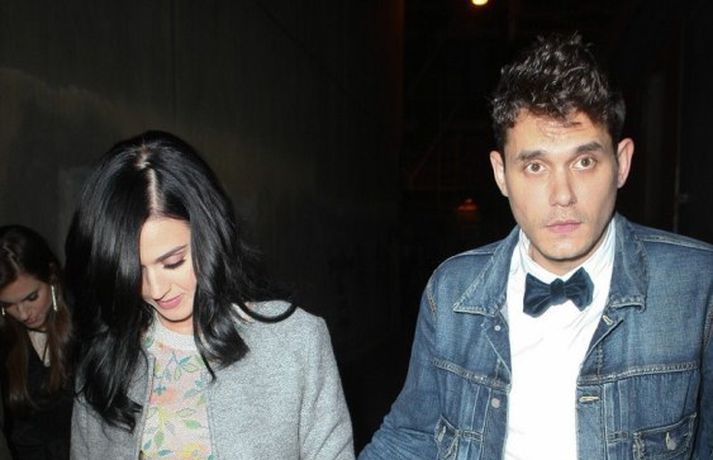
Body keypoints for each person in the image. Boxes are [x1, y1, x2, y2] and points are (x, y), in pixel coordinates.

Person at [360, 33, 713, 459]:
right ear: (501, 174)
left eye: (584, 162)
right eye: (535, 166)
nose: (562, 195)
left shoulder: (698, 286)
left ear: (621, 163)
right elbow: (410, 437)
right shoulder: (451, 291)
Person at [65, 131, 354, 459]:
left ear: (208, 234)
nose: (156, 290)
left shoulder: (295, 341)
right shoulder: (104, 361)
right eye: (134, 272)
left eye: (173, 262)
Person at [0, 225, 74, 460]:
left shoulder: (87, 324)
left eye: (32, 297)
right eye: (8, 304)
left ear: (51, 277)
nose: (23, 314)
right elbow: (19, 432)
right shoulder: (7, 341)